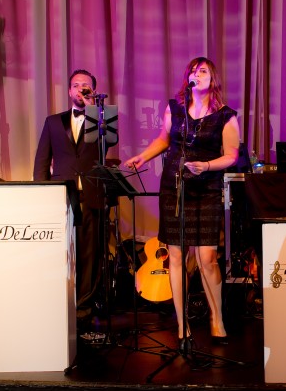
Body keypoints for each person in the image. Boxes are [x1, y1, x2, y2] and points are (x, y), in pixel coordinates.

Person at [123, 57, 240, 348]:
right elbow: (165, 139)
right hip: (175, 187)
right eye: (193, 71)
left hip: (207, 189)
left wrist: (207, 166)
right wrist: (144, 156)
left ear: (213, 80)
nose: (196, 75)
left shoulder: (226, 115)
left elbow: (232, 155)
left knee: (207, 258)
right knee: (175, 256)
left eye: (203, 72)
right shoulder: (174, 108)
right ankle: (181, 323)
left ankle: (217, 319)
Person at [33, 69, 115, 321]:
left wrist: (95, 112)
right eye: (76, 85)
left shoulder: (103, 117)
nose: (81, 88)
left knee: (90, 253)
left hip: (92, 193)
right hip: (62, 194)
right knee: (64, 251)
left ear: (93, 90)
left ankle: (84, 307)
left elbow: (110, 142)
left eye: (86, 85)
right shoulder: (53, 121)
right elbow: (41, 160)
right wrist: (42, 194)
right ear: (69, 91)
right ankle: (61, 302)